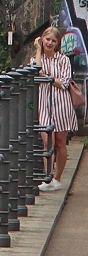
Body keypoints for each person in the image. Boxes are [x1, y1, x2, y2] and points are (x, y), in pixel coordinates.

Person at [34, 26, 79, 191]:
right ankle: (48, 177)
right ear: (42, 39)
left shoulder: (63, 60)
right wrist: (38, 50)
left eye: (53, 40)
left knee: (60, 142)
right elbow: (35, 71)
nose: (50, 43)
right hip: (44, 103)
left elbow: (64, 83)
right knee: (47, 141)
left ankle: (57, 178)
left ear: (57, 43)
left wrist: (47, 78)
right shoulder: (37, 58)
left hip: (61, 104)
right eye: (47, 39)